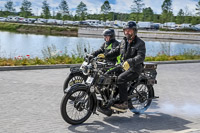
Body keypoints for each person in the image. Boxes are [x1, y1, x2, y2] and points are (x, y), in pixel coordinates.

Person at [98, 21, 146, 112]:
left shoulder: (140, 43)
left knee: (120, 79)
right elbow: (116, 51)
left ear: (134, 31)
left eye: (129, 30)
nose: (127, 32)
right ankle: (111, 99)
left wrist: (130, 62)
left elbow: (141, 57)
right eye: (125, 30)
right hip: (123, 67)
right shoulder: (124, 41)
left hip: (135, 68)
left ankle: (124, 103)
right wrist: (105, 55)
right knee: (108, 75)